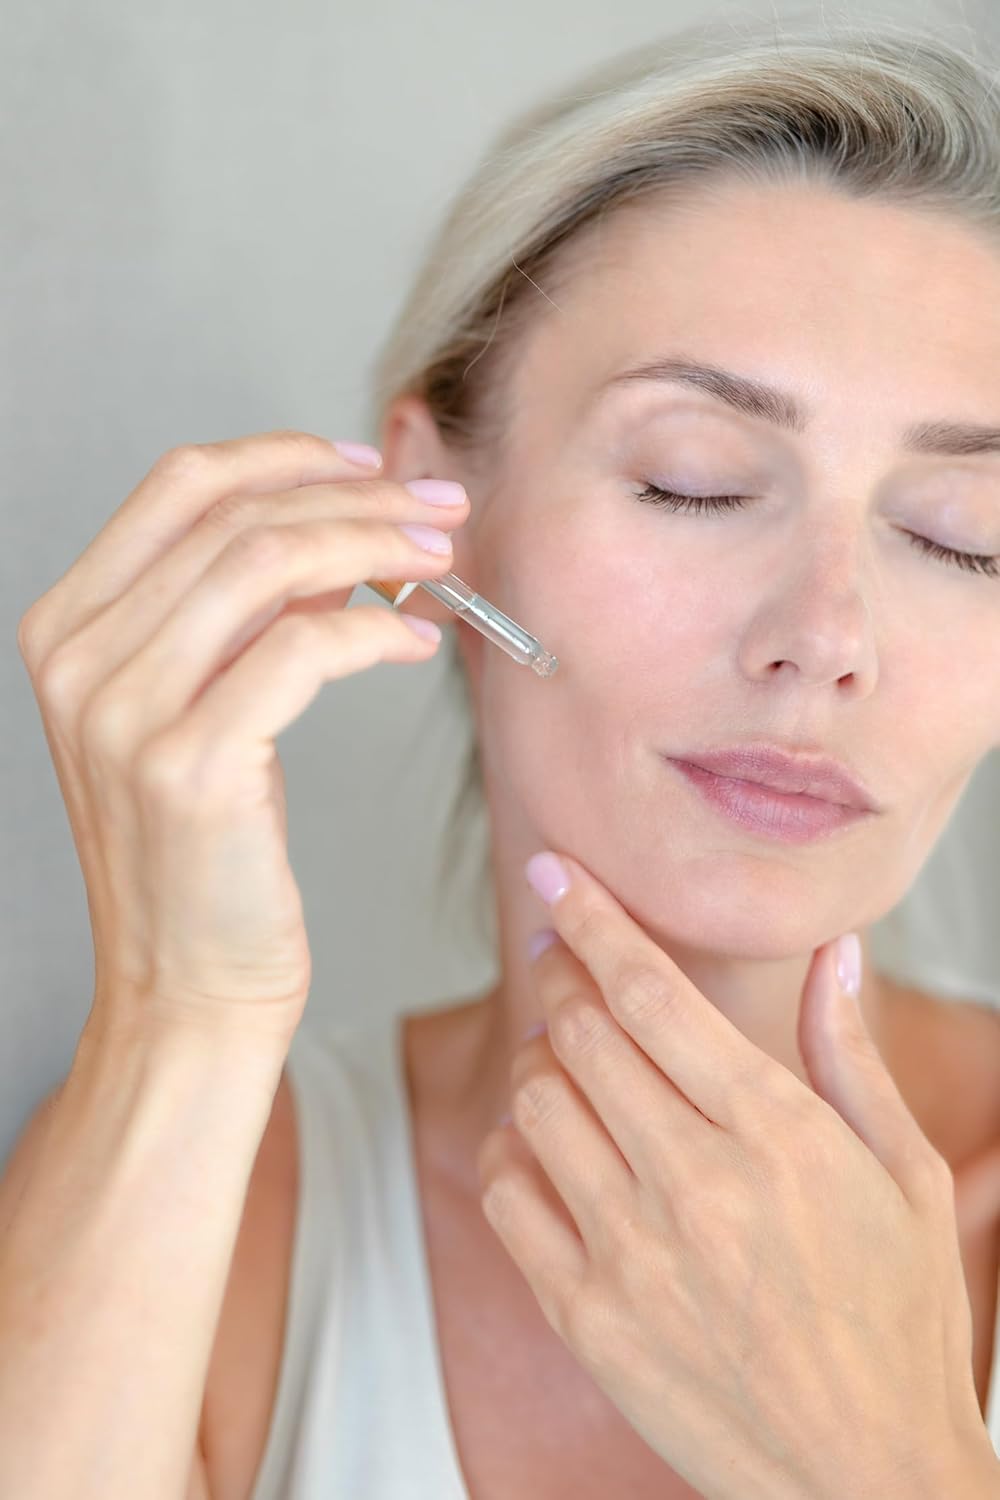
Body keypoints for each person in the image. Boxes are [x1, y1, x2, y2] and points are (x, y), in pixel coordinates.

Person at [2, 14, 1000, 1499]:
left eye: (962, 539)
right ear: (433, 519)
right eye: (694, 483)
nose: (826, 636)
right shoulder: (220, 1213)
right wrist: (178, 1007)